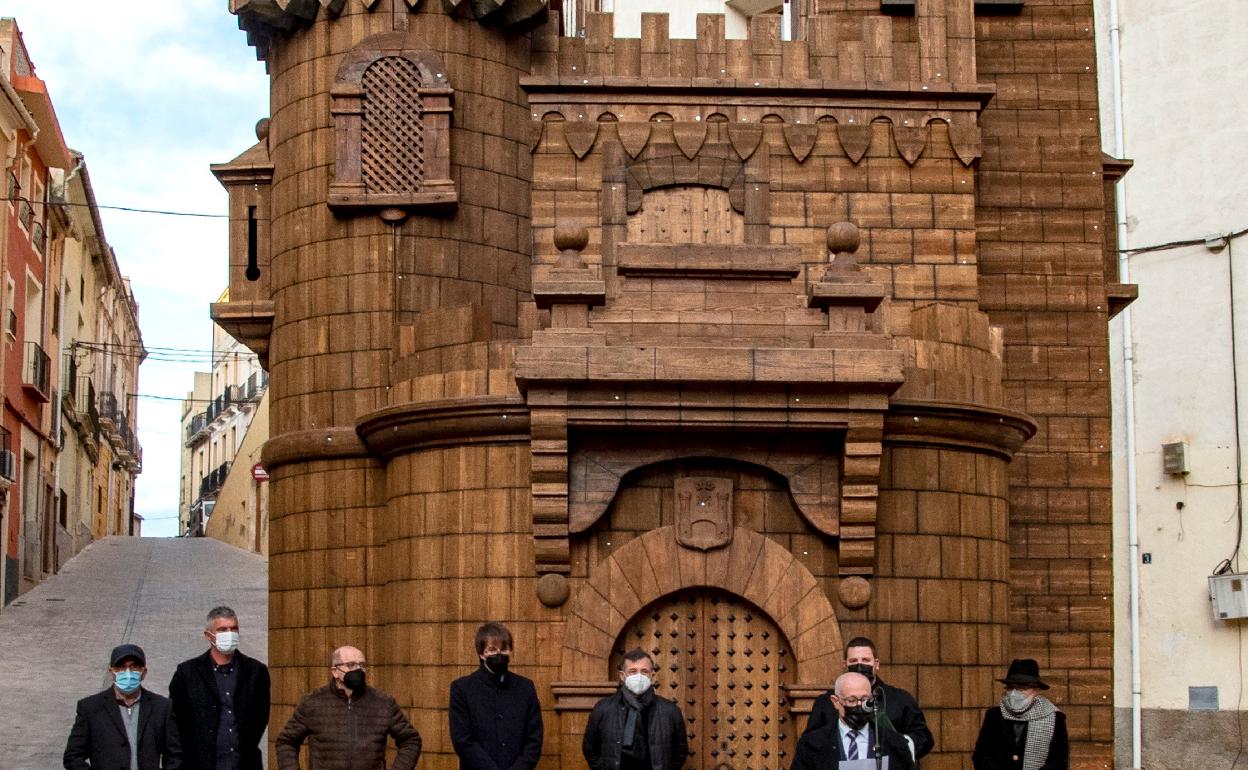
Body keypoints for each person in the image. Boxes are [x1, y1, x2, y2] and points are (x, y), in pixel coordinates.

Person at [275, 645, 422, 770]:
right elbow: (286, 742)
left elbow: (410, 740)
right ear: (335, 671)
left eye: (362, 665)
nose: (358, 670)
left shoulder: (384, 702)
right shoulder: (312, 702)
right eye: (351, 665)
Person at [168, 606, 271, 770]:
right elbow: (176, 722)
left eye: (233, 629)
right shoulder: (187, 673)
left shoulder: (256, 671)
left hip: (243, 763)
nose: (229, 634)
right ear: (209, 636)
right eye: (223, 630)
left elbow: (260, 718)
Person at [804, 636, 933, 763]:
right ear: (845, 665)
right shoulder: (826, 702)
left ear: (876, 664)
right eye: (853, 661)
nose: (859, 665)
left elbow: (924, 738)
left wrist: (897, 746)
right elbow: (811, 743)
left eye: (865, 660)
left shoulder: (900, 699)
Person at [64, 643, 182, 769]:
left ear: (144, 672)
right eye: (121, 667)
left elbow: (174, 755)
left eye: (134, 667)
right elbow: (73, 757)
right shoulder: (91, 708)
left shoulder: (162, 707)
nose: (128, 673)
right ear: (112, 672)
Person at [449, 621, 543, 769]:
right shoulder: (462, 689)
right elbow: (463, 741)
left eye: (504, 648)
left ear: (510, 650)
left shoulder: (525, 687)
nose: (499, 654)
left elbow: (534, 739)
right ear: (481, 654)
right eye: (492, 649)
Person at [582, 648, 688, 770]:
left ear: (652, 676)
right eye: (633, 671)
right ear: (623, 675)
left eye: (644, 671)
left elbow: (680, 751)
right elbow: (589, 748)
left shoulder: (670, 710)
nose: (639, 676)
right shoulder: (603, 708)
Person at [791, 672, 915, 770]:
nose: (859, 705)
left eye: (865, 700)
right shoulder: (811, 745)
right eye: (852, 700)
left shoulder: (895, 744)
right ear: (836, 702)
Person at [972, 659, 1069, 770]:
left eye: (1022, 688)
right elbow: (981, 756)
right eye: (1011, 687)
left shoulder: (1054, 717)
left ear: (1036, 690)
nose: (1014, 693)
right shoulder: (994, 715)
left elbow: (1060, 762)